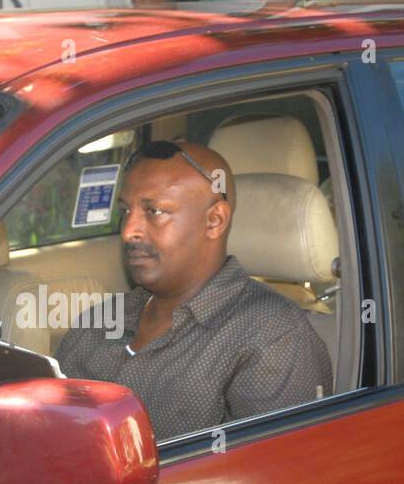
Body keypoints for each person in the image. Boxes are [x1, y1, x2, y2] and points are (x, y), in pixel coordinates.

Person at [55, 139, 331, 441]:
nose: (128, 230)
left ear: (214, 221)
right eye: (125, 210)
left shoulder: (274, 338)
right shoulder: (105, 317)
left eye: (154, 211)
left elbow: (268, 475)